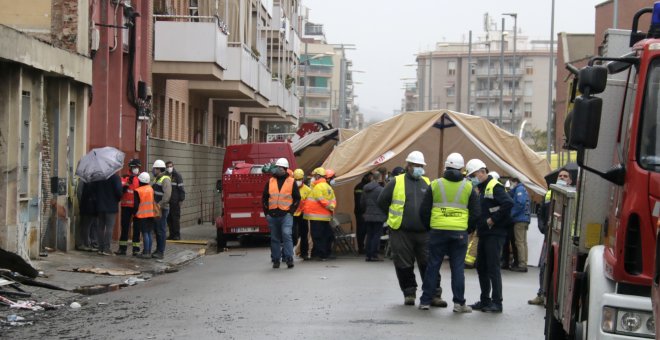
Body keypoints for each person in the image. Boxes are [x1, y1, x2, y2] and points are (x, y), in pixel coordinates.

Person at [377, 151, 446, 307]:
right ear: (408, 166)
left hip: (424, 232)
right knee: (403, 263)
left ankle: (434, 294)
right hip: (401, 231)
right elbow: (381, 200)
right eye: (416, 165)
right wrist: (392, 217)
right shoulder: (396, 181)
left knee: (429, 263)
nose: (418, 168)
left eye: (421, 166)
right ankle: (409, 293)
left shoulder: (428, 183)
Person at [418, 153, 479, 312]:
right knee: (458, 268)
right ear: (461, 168)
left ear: (445, 167)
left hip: (437, 231)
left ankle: (425, 301)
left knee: (433, 266)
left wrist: (430, 227)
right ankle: (459, 304)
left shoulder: (435, 185)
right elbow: (475, 212)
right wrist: (467, 229)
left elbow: (424, 210)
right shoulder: (468, 187)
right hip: (459, 232)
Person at [466, 159, 513, 313]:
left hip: (495, 232)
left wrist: (493, 219)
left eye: (474, 174)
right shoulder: (482, 188)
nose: (473, 177)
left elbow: (508, 203)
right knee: (481, 266)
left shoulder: (494, 186)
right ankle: (485, 300)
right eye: (471, 175)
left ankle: (497, 302)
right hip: (485, 232)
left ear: (482, 171)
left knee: (493, 267)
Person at [529, 168, 573, 305]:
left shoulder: (573, 195)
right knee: (544, 265)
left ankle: (555, 296)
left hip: (565, 239)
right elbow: (541, 212)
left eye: (565, 176)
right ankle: (541, 294)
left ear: (570, 180)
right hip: (549, 236)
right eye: (560, 176)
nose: (562, 178)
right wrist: (543, 227)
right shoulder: (549, 194)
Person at [262, 158, 301, 269]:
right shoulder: (270, 181)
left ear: (285, 169)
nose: (278, 169)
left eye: (280, 167)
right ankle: (275, 259)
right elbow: (264, 198)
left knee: (286, 234)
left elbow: (297, 198)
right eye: (277, 167)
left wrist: (291, 211)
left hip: (286, 215)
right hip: (273, 215)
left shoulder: (291, 182)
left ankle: (289, 258)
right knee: (275, 238)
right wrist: (267, 213)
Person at [304, 167, 336, 261]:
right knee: (327, 235)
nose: (313, 177)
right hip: (325, 216)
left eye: (314, 176)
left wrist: (328, 206)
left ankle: (322, 255)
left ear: (318, 176)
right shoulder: (328, 186)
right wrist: (331, 207)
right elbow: (333, 200)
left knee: (317, 236)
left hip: (316, 216)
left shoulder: (317, 187)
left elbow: (320, 199)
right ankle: (326, 253)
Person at [116, 159, 142, 256]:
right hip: (126, 206)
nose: (136, 169)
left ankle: (136, 249)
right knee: (125, 228)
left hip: (136, 206)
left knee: (137, 228)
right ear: (130, 167)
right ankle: (122, 248)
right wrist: (126, 185)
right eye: (135, 167)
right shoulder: (124, 177)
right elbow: (120, 190)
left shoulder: (141, 177)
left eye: (138, 167)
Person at [94, 171, 123, 256]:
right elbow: (118, 191)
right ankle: (107, 248)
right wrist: (118, 198)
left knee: (100, 227)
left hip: (100, 206)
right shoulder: (115, 177)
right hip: (111, 206)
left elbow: (94, 190)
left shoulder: (99, 178)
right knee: (109, 228)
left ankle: (100, 248)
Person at [361, 171, 387, 261]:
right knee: (376, 235)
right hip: (379, 215)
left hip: (368, 215)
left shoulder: (365, 189)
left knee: (369, 234)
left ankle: (368, 254)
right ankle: (374, 254)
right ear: (379, 178)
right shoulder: (381, 190)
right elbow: (384, 203)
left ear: (372, 178)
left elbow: (362, 203)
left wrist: (366, 211)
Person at [509, 177, 531, 273]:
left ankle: (522, 264)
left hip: (520, 219)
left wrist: (511, 214)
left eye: (511, 182)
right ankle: (524, 262)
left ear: (515, 182)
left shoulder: (519, 189)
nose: (510, 185)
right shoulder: (524, 189)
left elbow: (520, 203)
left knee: (519, 242)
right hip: (525, 218)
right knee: (523, 242)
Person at [151, 160, 172, 259]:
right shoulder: (157, 178)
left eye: (154, 169)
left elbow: (167, 195)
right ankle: (158, 249)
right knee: (157, 230)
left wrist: (159, 205)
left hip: (162, 208)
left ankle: (160, 252)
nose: (153, 170)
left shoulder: (165, 179)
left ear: (159, 169)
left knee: (161, 230)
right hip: (157, 208)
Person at [133, 172, 156, 259]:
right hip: (151, 214)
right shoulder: (151, 189)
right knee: (149, 232)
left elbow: (136, 206)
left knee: (145, 233)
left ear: (140, 181)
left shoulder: (138, 191)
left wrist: (134, 215)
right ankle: (148, 251)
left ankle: (145, 252)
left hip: (142, 215)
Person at [293, 169, 312, 260]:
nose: (298, 181)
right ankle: (286, 254)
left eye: (299, 179)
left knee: (304, 235)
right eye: (296, 179)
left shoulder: (308, 190)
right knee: (290, 235)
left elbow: (310, 203)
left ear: (303, 179)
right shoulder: (290, 188)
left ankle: (304, 254)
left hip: (303, 214)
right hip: (292, 214)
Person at [76, 180, 98, 252]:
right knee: (86, 225)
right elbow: (79, 193)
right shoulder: (84, 180)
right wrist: (81, 204)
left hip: (93, 208)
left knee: (93, 225)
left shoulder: (96, 181)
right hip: (87, 207)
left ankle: (92, 242)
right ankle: (85, 243)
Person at [166, 161, 185, 241]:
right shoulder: (165, 175)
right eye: (168, 166)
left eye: (170, 166)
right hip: (168, 201)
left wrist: (181, 199)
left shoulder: (177, 176)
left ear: (173, 166)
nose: (169, 168)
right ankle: (171, 234)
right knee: (169, 218)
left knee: (175, 218)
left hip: (175, 201)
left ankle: (177, 235)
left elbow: (181, 189)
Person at [354, 172, 373, 255]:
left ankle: (365, 247)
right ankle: (361, 248)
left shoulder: (366, 186)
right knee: (361, 231)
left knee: (366, 230)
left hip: (366, 212)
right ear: (366, 177)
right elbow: (359, 201)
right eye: (370, 177)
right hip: (360, 212)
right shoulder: (359, 187)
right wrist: (363, 211)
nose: (371, 179)